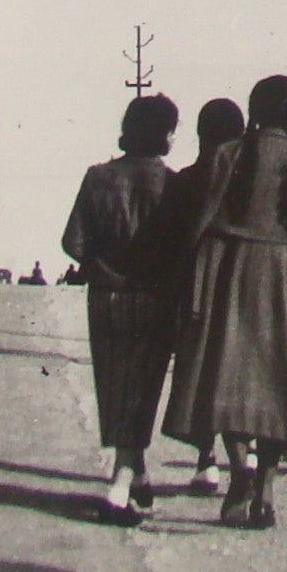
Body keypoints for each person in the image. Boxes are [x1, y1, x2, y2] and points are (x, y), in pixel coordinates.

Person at [161, 75, 287, 529]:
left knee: (233, 383)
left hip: (234, 279)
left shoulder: (229, 158)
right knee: (278, 388)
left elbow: (199, 226)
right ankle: (266, 487)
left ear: (254, 111)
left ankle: (239, 476)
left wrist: (185, 280)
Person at [61, 94, 181, 526]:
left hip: (107, 299)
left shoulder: (97, 177)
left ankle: (138, 475)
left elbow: (72, 243)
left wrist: (99, 267)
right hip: (155, 300)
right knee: (143, 390)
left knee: (115, 388)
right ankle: (119, 486)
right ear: (165, 135)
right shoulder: (175, 185)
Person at [162, 97, 250, 495]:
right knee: (238, 370)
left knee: (199, 369)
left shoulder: (185, 180)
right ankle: (244, 454)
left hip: (195, 285)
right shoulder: (250, 181)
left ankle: (206, 462)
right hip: (243, 288)